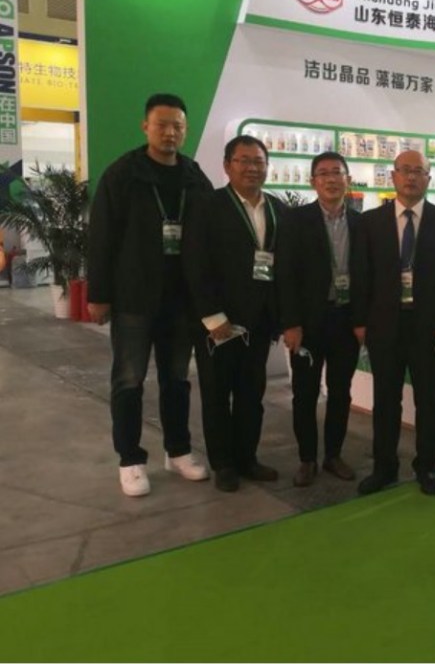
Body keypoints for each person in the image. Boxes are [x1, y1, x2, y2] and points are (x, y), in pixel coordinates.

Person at [87, 93, 213, 497]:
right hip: (134, 299)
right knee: (129, 380)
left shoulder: (194, 176)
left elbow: (210, 238)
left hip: (180, 300)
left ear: (185, 130)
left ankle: (178, 451)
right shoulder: (123, 174)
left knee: (177, 379)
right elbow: (101, 236)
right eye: (162, 124)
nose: (170, 132)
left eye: (178, 126)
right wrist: (99, 294)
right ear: (146, 126)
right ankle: (130, 460)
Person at [351, 150, 435, 496]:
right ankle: (384, 468)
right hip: (384, 325)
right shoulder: (370, 222)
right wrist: (360, 321)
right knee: (385, 399)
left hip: (430, 327)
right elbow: (361, 275)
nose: (411, 177)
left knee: (429, 400)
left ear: (429, 178)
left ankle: (427, 467)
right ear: (393, 176)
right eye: (405, 170)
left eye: (419, 171)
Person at [183, 135, 287, 493]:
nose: (252, 168)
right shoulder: (207, 206)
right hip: (219, 322)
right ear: (227, 166)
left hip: (259, 322)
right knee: (216, 394)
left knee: (251, 395)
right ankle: (223, 464)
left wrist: (278, 317)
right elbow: (195, 264)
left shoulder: (277, 209)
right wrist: (213, 317)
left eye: (259, 161)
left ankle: (247, 458)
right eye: (244, 160)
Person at [277, 152, 361, 487]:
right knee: (305, 393)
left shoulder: (361, 223)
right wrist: (290, 323)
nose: (331, 179)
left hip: (345, 320)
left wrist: (363, 320)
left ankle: (333, 455)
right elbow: (285, 275)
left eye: (337, 172)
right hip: (308, 324)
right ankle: (307, 458)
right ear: (313, 181)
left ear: (347, 179)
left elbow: (367, 276)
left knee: (341, 392)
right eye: (323, 173)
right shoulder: (295, 220)